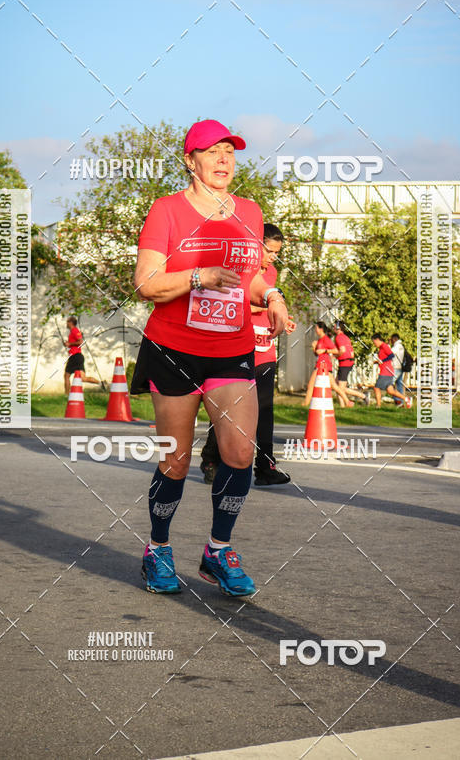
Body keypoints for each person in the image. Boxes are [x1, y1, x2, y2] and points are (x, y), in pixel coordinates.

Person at [131, 119, 288, 596]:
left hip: (232, 349)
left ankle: (217, 550)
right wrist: (197, 276)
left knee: (240, 452)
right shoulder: (167, 211)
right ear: (190, 160)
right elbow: (145, 284)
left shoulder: (251, 212)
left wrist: (274, 295)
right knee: (174, 461)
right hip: (174, 349)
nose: (224, 160)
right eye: (212, 151)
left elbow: (250, 280)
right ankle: (157, 549)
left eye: (230, 152)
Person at [200, 223, 296, 487]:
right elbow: (238, 302)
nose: (272, 257)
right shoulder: (239, 269)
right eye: (269, 250)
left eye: (277, 252)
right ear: (255, 246)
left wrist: (280, 318)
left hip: (264, 350)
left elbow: (266, 305)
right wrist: (267, 306)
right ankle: (212, 459)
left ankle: (265, 467)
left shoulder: (272, 272)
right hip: (236, 347)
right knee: (230, 409)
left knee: (264, 409)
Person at [303, 322, 351, 408]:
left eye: (316, 328)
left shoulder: (326, 339)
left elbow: (336, 350)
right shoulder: (319, 340)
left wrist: (325, 351)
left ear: (321, 329)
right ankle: (347, 401)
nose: (315, 330)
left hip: (324, 365)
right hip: (320, 364)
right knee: (333, 386)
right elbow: (317, 354)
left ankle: (305, 403)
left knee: (311, 384)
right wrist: (314, 348)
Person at [370, 334, 411, 408]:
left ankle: (378, 406)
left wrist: (383, 360)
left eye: (374, 342)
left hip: (386, 371)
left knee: (376, 388)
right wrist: (378, 361)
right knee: (390, 391)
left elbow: (391, 355)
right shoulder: (381, 347)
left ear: (377, 340)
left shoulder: (384, 346)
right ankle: (406, 399)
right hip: (387, 370)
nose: (374, 344)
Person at [333, 320, 368, 405]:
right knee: (337, 385)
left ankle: (362, 397)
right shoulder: (346, 338)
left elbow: (342, 350)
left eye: (334, 326)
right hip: (348, 362)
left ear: (338, 328)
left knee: (340, 388)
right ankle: (343, 405)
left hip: (344, 363)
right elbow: (352, 353)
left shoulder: (338, 337)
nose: (333, 328)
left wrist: (335, 356)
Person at [63, 316, 100, 395]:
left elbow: (80, 342)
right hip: (77, 356)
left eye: (67, 322)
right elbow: (75, 343)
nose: (66, 324)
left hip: (75, 357)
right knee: (83, 378)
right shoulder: (72, 332)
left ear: (71, 323)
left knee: (66, 376)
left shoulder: (74, 331)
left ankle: (66, 395)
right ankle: (101, 383)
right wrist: (68, 344)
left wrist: (69, 344)